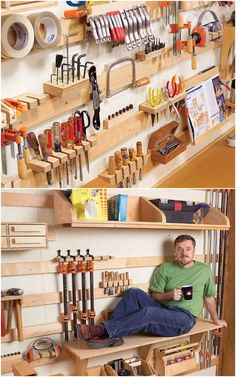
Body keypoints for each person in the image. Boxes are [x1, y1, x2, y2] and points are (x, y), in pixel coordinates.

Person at [79, 235, 227, 347]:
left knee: (149, 312)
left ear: (194, 250)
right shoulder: (165, 268)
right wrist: (170, 295)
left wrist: (216, 319)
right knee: (133, 293)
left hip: (184, 318)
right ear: (175, 251)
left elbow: (209, 297)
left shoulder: (204, 270)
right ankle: (110, 335)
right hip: (163, 308)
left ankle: (100, 330)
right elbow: (156, 297)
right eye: (180, 249)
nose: (184, 253)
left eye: (188, 249)